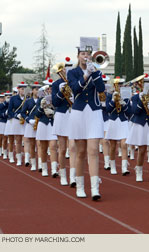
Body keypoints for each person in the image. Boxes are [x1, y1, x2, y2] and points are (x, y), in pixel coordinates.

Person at [67, 47, 105, 200]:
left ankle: (95, 188)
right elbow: (75, 89)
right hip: (79, 112)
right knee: (81, 151)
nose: (86, 56)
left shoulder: (97, 71)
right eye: (83, 54)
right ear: (78, 56)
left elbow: (101, 89)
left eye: (88, 54)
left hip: (94, 112)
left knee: (94, 150)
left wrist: (94, 72)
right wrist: (86, 74)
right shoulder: (72, 72)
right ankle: (80, 186)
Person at [126, 76, 149, 183]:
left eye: (148, 83)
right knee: (142, 150)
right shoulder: (135, 97)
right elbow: (134, 112)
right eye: (144, 83)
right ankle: (139, 170)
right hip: (141, 124)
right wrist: (140, 101)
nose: (146, 85)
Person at [52, 58, 77, 186]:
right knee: (62, 149)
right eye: (64, 68)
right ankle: (63, 174)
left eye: (69, 67)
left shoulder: (76, 81)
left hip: (74, 114)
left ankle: (73, 177)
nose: (66, 70)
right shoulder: (56, 84)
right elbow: (55, 103)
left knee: (72, 147)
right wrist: (61, 93)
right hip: (62, 115)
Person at [105, 77, 131, 175]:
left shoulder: (126, 96)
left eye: (121, 84)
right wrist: (113, 100)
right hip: (113, 121)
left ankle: (124, 168)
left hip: (123, 121)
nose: (120, 86)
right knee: (112, 146)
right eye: (118, 84)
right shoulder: (109, 95)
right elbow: (107, 109)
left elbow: (130, 112)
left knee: (124, 144)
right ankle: (112, 166)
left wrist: (123, 104)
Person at [34, 81, 58, 178]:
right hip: (43, 123)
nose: (50, 90)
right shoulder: (40, 100)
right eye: (48, 89)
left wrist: (53, 111)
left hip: (53, 124)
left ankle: (54, 170)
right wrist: (41, 107)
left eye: (51, 89)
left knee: (53, 147)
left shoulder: (57, 99)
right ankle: (44, 168)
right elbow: (37, 114)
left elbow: (60, 110)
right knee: (43, 148)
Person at [4, 82, 28, 165]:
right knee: (17, 140)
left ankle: (27, 159)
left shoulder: (27, 98)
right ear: (18, 89)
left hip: (24, 120)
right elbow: (10, 110)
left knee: (26, 140)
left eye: (24, 89)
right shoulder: (13, 98)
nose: (23, 90)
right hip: (15, 120)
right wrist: (16, 115)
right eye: (22, 89)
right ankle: (17, 159)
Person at [21, 82, 41, 171]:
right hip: (31, 123)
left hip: (40, 123)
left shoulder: (43, 100)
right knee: (32, 145)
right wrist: (28, 120)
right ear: (32, 91)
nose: (38, 91)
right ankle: (33, 164)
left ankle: (41, 164)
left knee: (40, 145)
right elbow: (22, 113)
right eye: (36, 89)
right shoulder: (28, 101)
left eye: (39, 89)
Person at [0, 93, 8, 159]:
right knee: (0, 137)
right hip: (1, 121)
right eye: (1, 98)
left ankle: (4, 151)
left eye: (3, 98)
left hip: (7, 122)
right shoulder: (2, 104)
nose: (2, 99)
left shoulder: (7, 104)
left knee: (5, 138)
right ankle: (0, 149)